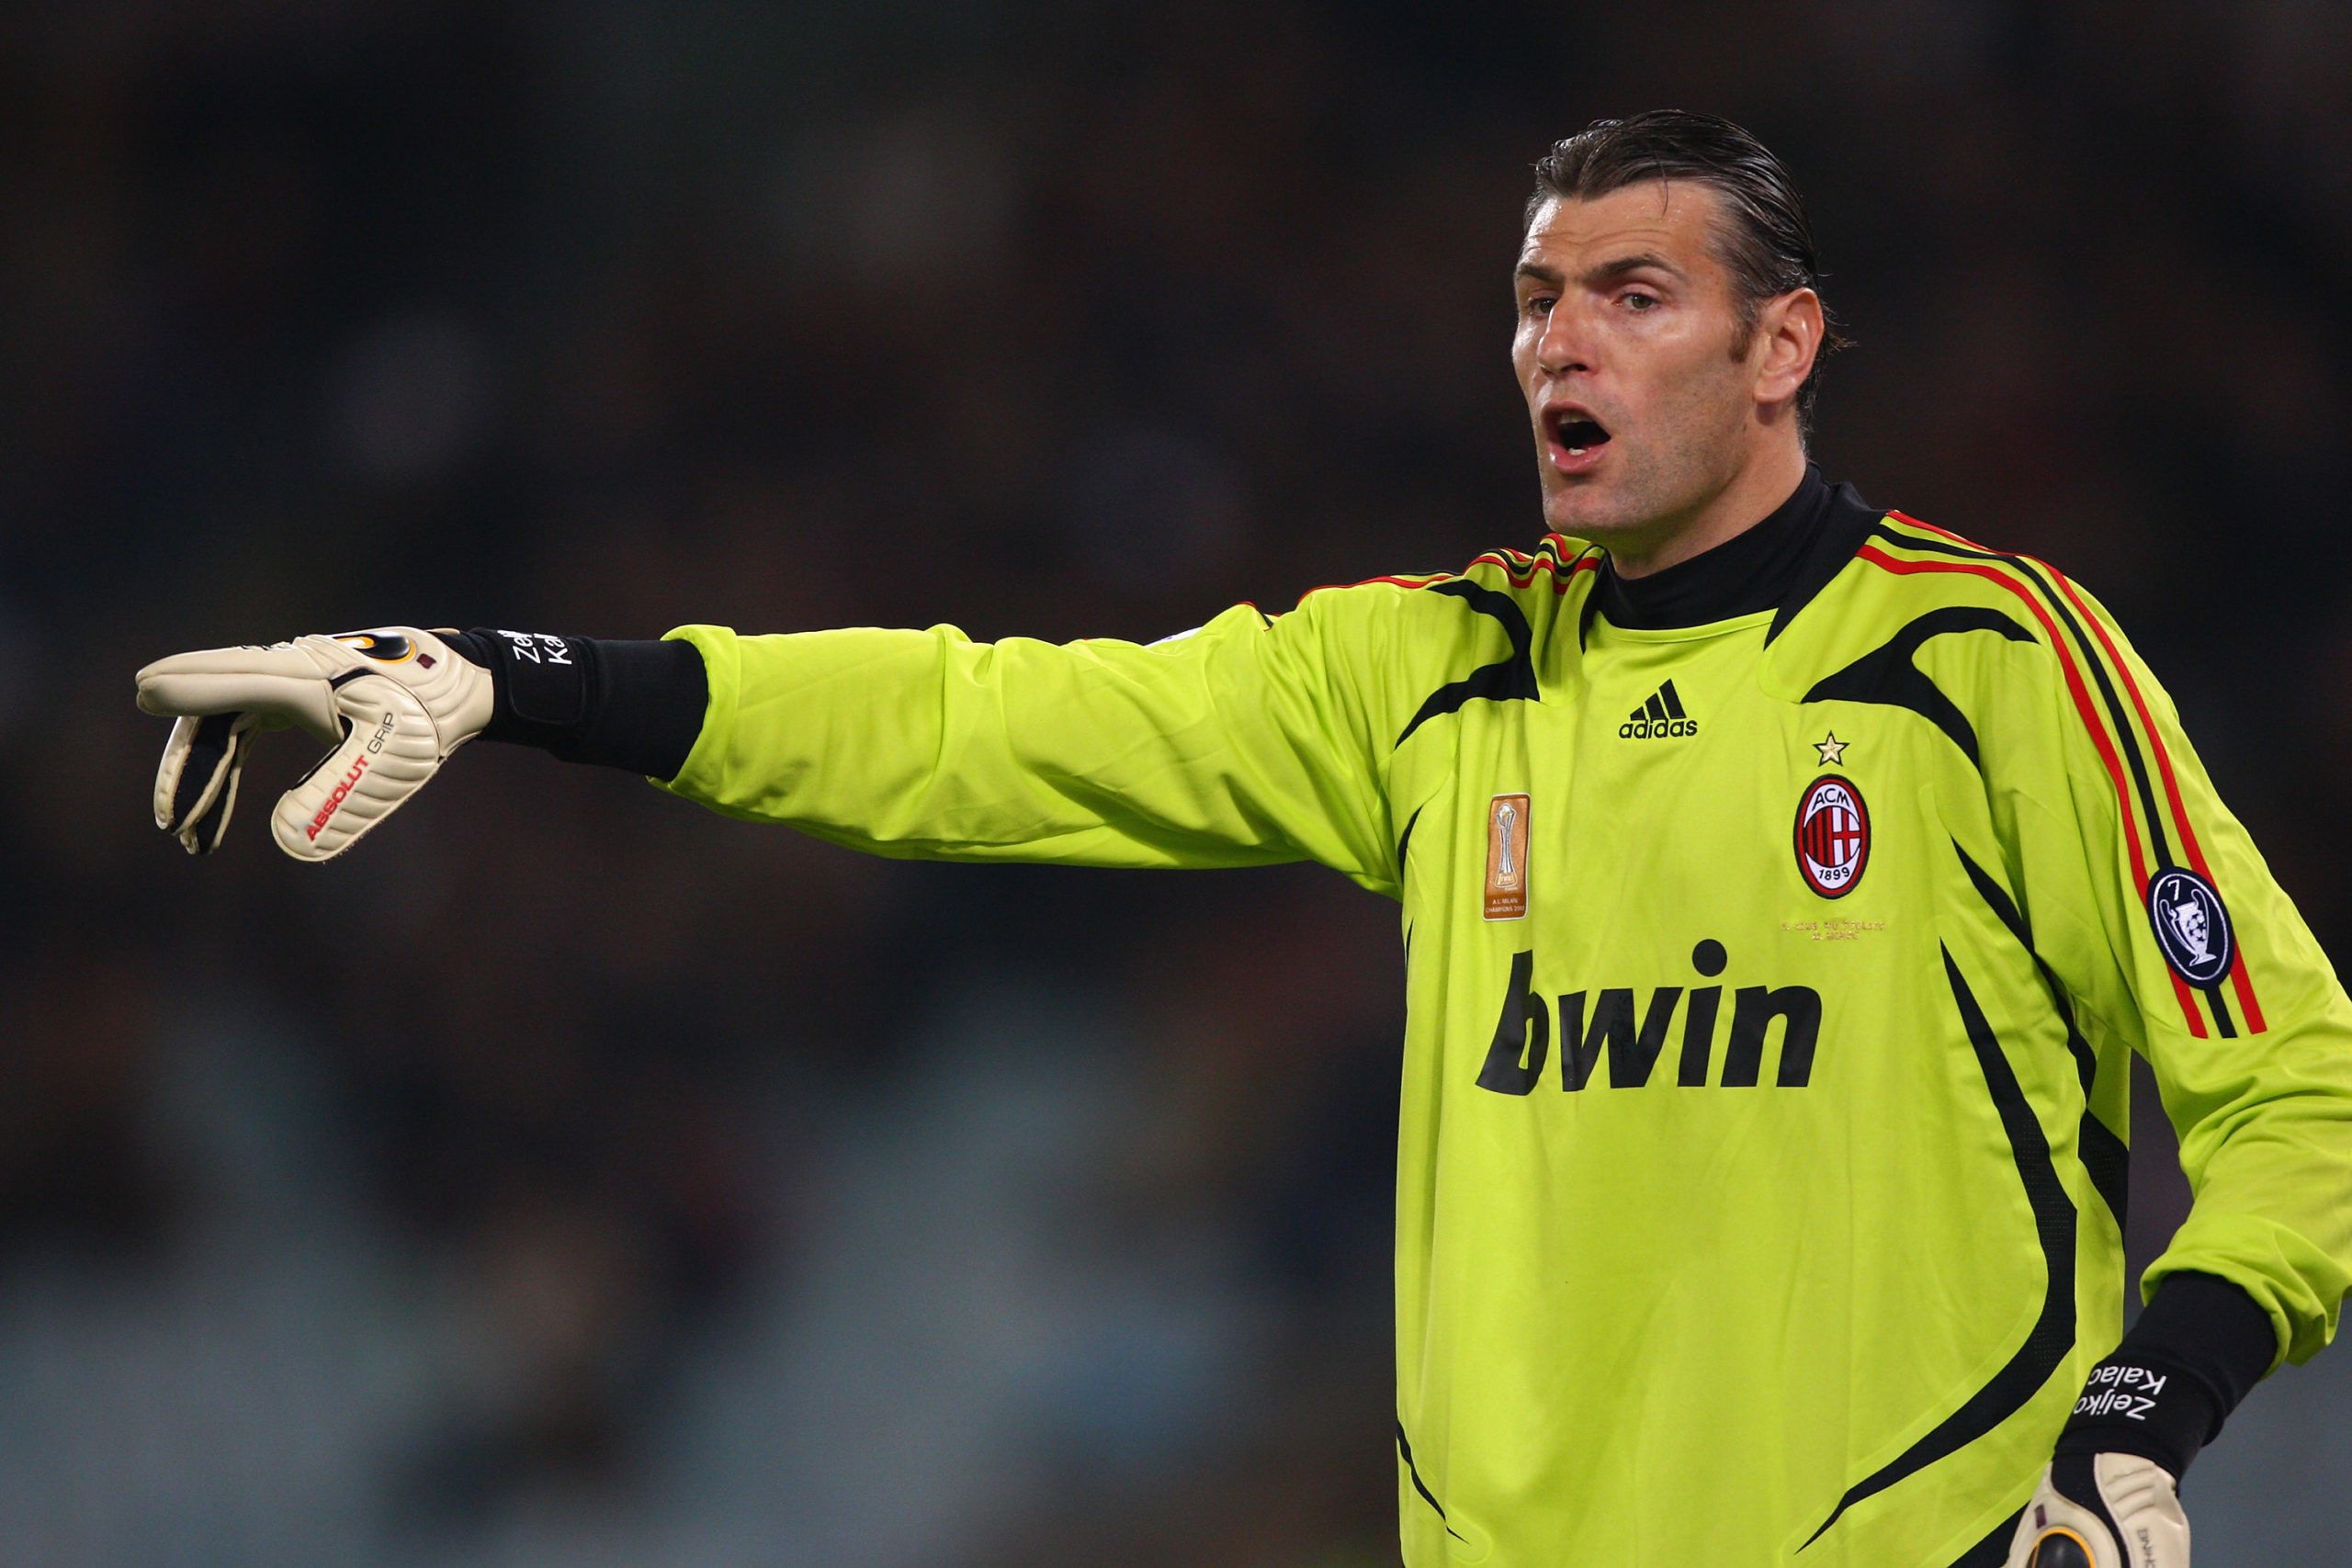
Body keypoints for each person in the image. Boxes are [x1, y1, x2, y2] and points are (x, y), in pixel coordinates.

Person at [134, 111, 2351, 1567]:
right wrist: (530, 677)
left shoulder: (1992, 666)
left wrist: (2143, 1407)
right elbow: (979, 721)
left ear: (1783, 346)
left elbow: (2299, 1092)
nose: (1556, 347)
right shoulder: (1427, 675)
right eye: (1533, 299)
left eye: (1630, 296)